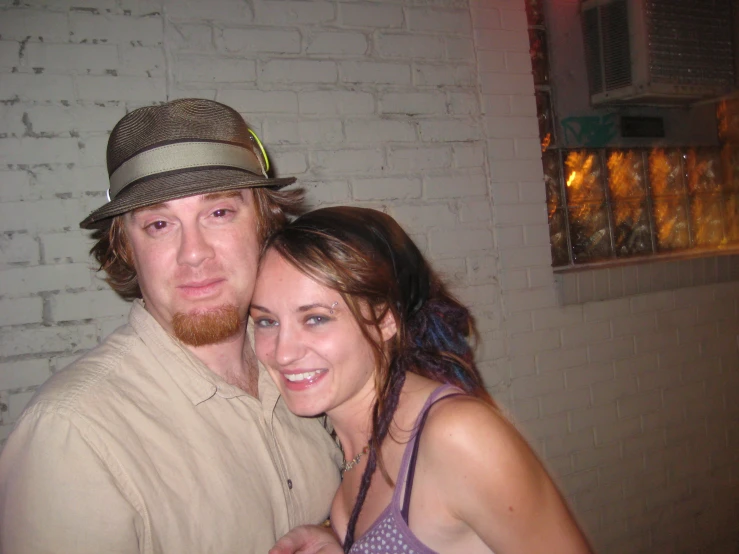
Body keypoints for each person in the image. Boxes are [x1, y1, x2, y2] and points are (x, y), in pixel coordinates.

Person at [0, 98, 341, 553]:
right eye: (159, 224)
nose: (194, 253)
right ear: (126, 247)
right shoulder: (71, 435)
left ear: (265, 222)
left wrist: (334, 536)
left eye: (218, 213)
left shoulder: (302, 370)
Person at [249, 206, 593, 554]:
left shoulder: (455, 435)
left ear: (385, 320)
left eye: (316, 318)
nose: (283, 353)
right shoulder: (347, 446)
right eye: (266, 321)